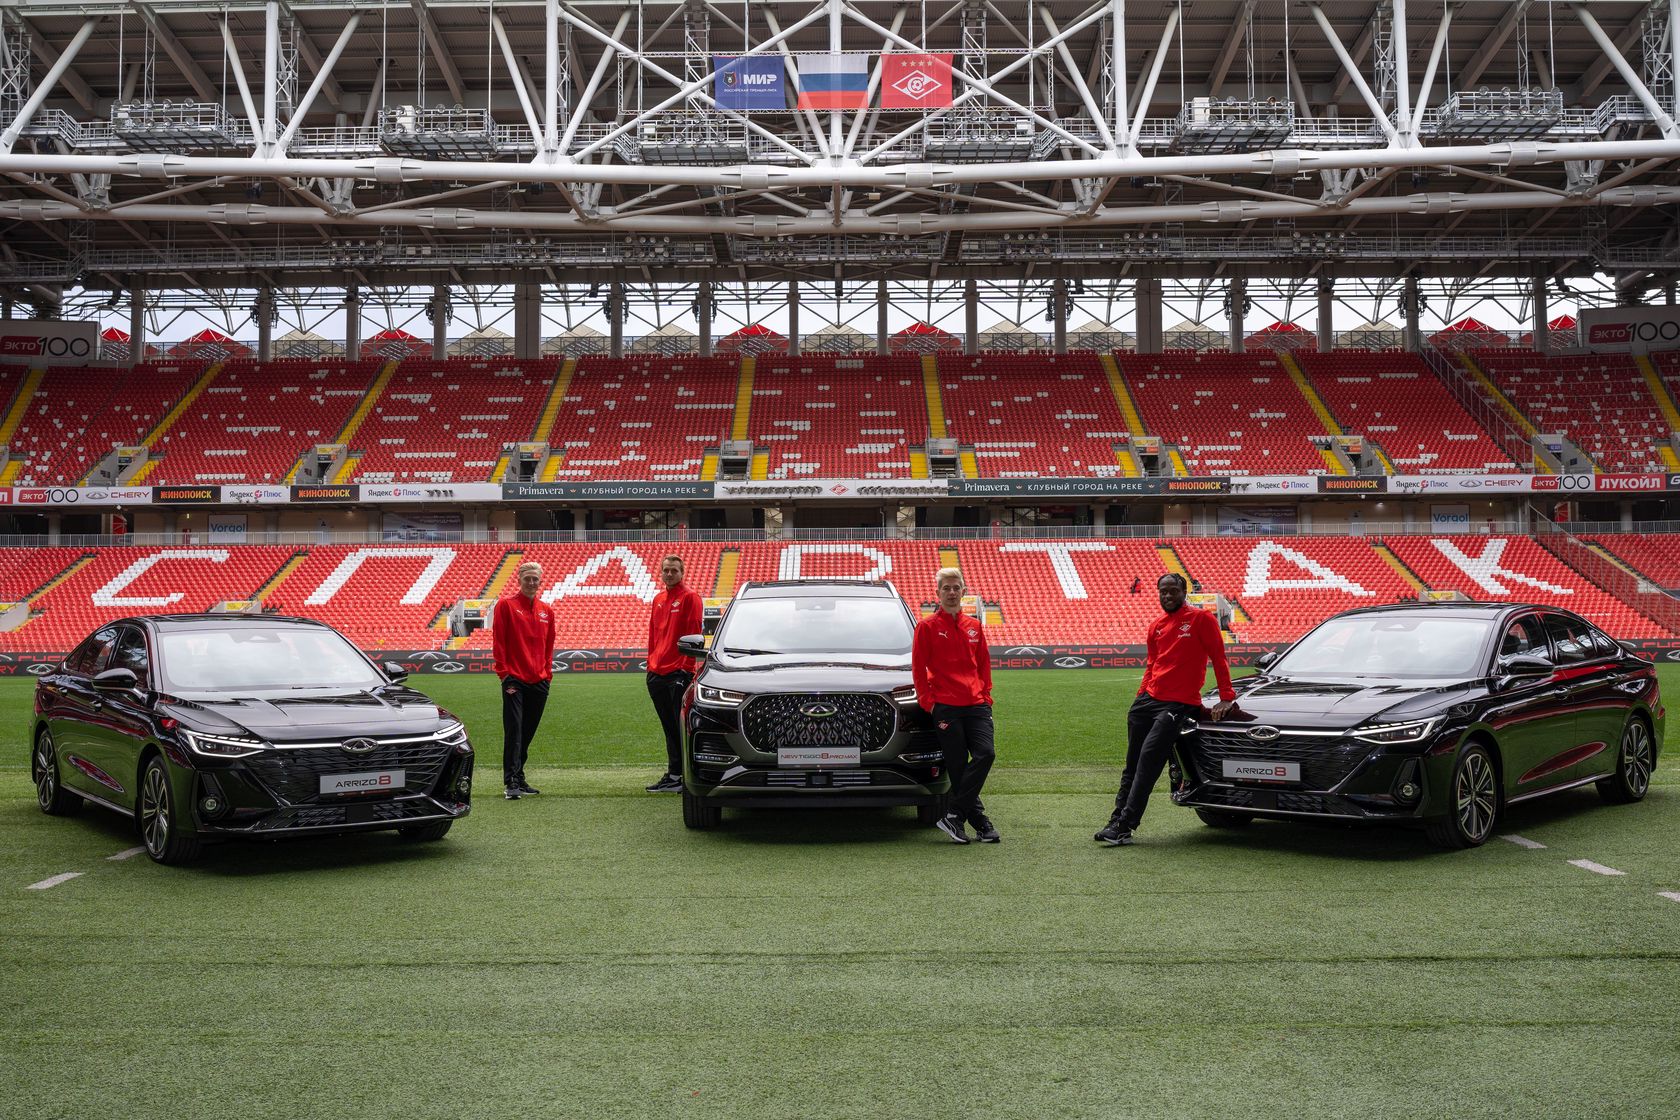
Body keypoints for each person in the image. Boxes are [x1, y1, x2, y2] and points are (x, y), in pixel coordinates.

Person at [1095, 572, 1235, 846]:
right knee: (1132, 764)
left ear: (1184, 592)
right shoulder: (1156, 625)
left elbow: (1219, 658)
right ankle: (1115, 819)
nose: (1168, 596)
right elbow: (1152, 664)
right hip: (1147, 701)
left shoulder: (1201, 619)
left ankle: (1125, 826)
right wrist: (1140, 696)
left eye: (1173, 591)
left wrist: (1226, 697)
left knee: (1149, 761)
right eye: (1163, 591)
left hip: (1179, 703)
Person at [912, 567, 999, 844]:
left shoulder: (974, 626)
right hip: (946, 706)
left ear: (964, 591)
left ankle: (954, 815)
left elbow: (983, 664)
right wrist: (928, 702)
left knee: (986, 754)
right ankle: (981, 823)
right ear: (937, 593)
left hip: (976, 704)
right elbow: (918, 669)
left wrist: (985, 696)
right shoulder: (926, 627)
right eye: (946, 588)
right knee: (958, 766)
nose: (951, 592)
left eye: (956, 587)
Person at [492, 561, 556, 801]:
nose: (531, 582)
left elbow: (549, 646)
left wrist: (547, 674)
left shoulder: (547, 611)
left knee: (527, 731)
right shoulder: (506, 605)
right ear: (519, 580)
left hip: (539, 680)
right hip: (514, 680)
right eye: (527, 578)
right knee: (514, 729)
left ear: (540, 581)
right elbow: (499, 641)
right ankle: (511, 782)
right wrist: (504, 673)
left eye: (535, 579)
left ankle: (519, 776)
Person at [645, 554, 703, 793]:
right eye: (666, 570)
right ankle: (674, 774)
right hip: (656, 673)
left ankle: (681, 776)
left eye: (674, 571)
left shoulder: (690, 597)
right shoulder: (658, 599)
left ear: (682, 573)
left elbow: (694, 635)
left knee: (679, 728)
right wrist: (651, 664)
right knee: (669, 727)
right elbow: (653, 635)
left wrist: (685, 669)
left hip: (678, 673)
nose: (669, 574)